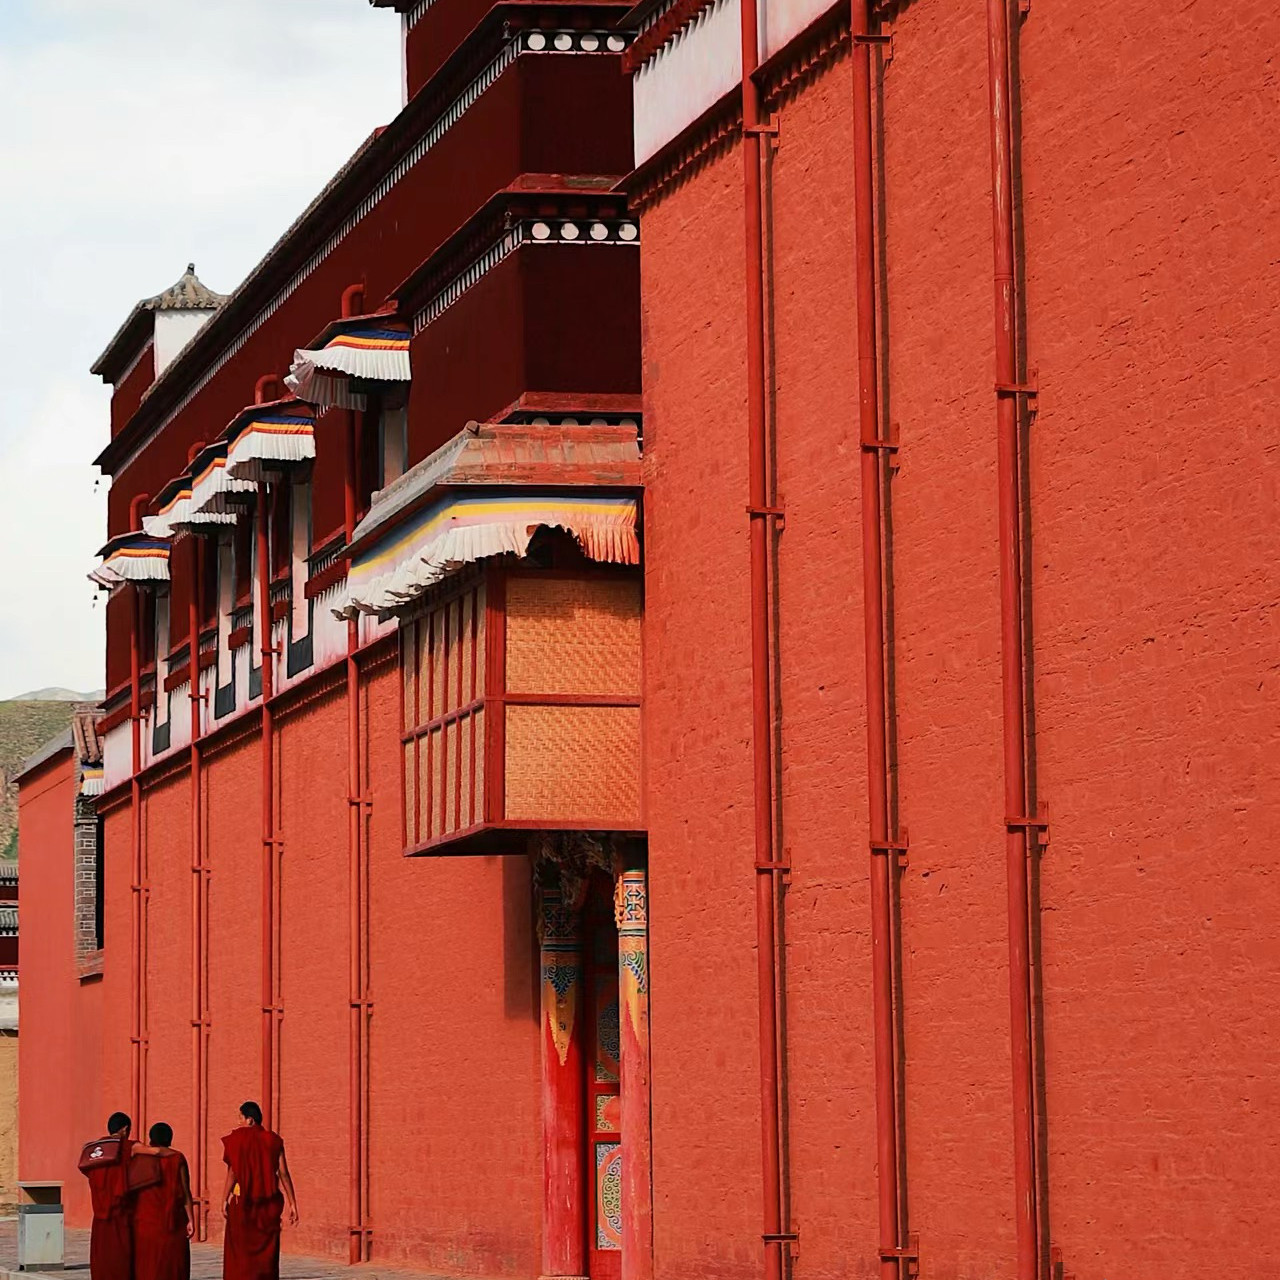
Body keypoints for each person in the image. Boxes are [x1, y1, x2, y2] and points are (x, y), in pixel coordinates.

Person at [222, 1102, 298, 1280]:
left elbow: (233, 1172)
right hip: (268, 1205)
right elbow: (284, 1173)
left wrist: (224, 1199)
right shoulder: (273, 1140)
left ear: (250, 1120)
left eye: (240, 1117)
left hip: (242, 1203)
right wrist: (293, 1203)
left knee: (239, 1250)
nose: (238, 1122)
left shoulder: (237, 1139)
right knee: (267, 1252)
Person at [132, 1123, 194, 1280]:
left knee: (148, 1267)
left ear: (151, 1139)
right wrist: (191, 1220)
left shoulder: (141, 1157)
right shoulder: (177, 1158)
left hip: (146, 1223)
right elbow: (186, 1191)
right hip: (173, 1222)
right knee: (173, 1266)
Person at [83, 1112, 134, 1280]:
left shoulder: (94, 1151)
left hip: (99, 1218)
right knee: (121, 1262)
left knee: (102, 1263)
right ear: (125, 1130)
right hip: (121, 1216)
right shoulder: (126, 1148)